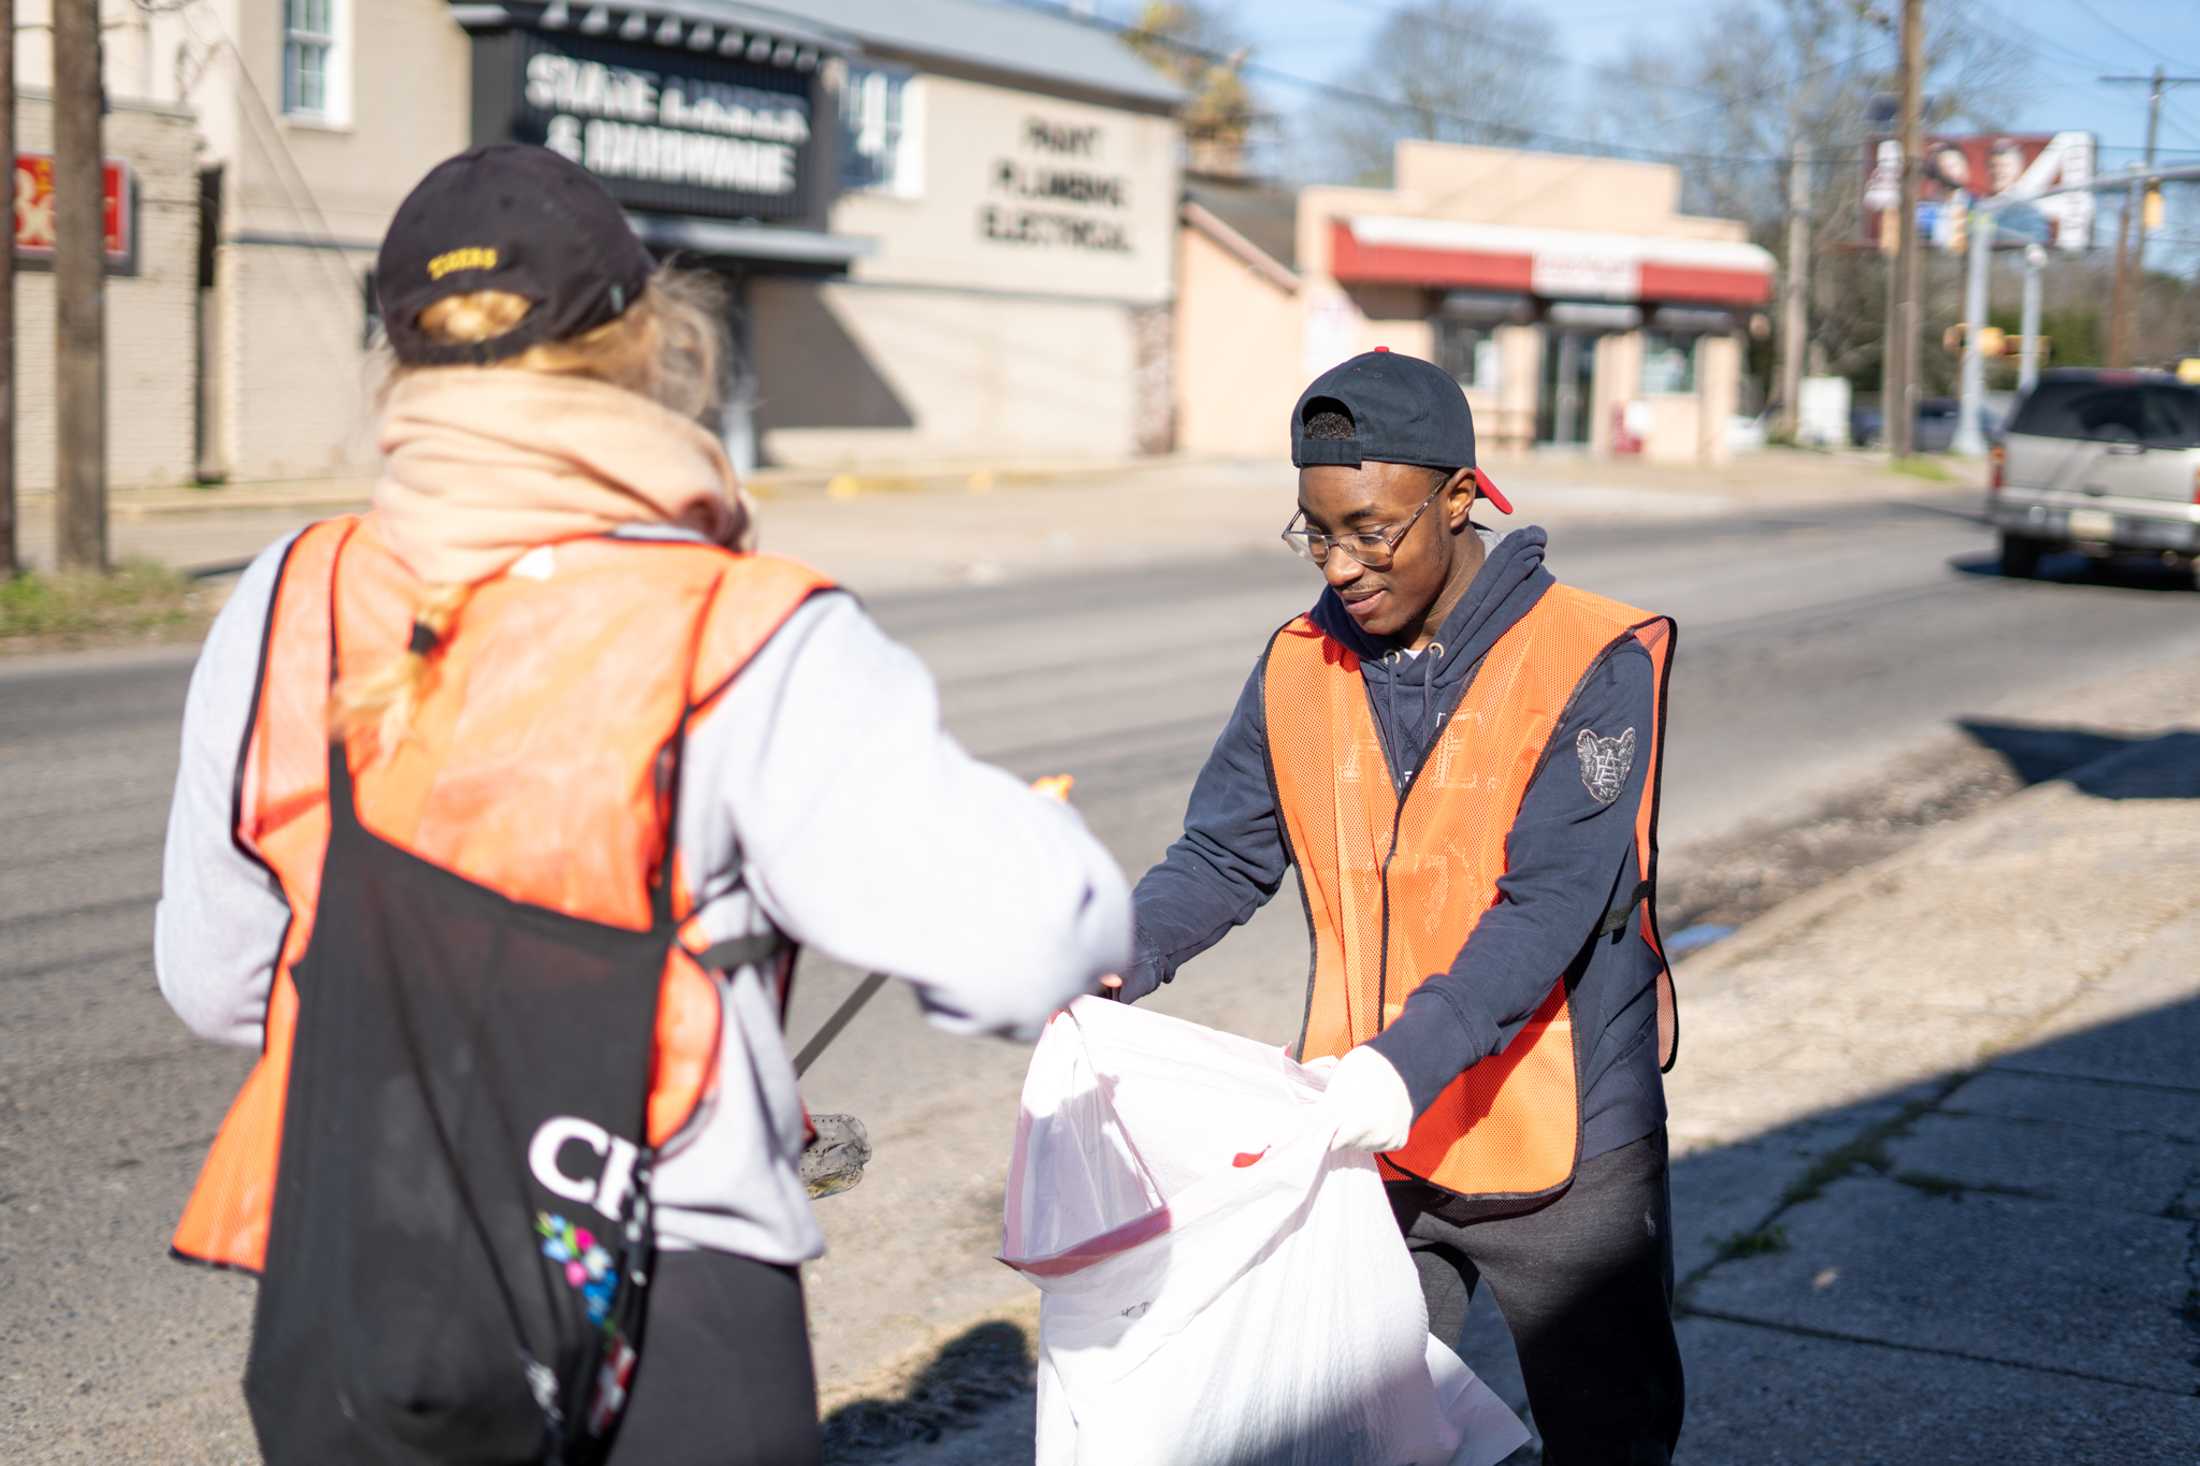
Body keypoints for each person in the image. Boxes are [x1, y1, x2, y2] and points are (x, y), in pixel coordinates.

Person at [155, 144, 1129, 1466]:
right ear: (646, 340)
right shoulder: (740, 622)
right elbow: (1026, 942)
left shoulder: (289, 596)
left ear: (402, 358)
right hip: (667, 1284)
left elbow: (218, 983)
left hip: (362, 1281)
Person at [1106, 350, 1684, 1463]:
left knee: (1608, 1434)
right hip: (1370, 1140)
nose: (1340, 563)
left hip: (1563, 1138)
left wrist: (1395, 1065)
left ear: (1460, 497)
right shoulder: (1297, 662)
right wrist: (1111, 953)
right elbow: (1225, 853)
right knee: (1372, 1437)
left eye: (1372, 529)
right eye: (1315, 531)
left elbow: (1543, 907)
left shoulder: (1587, 658)